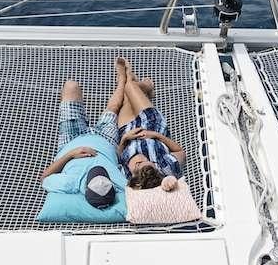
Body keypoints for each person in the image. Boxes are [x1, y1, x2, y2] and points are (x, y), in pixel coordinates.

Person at [39, 66, 130, 207]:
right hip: (106, 141)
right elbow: (120, 160)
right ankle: (122, 80)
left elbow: (45, 177)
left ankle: (65, 102)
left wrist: (71, 154)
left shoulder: (71, 183)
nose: (101, 179)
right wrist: (122, 143)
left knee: (71, 86)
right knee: (114, 107)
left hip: (72, 140)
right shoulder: (121, 183)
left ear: (86, 187)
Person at [115, 57, 186, 191]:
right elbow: (180, 151)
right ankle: (141, 84)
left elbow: (117, 159)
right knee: (129, 87)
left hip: (126, 129)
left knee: (126, 99)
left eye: (137, 165)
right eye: (142, 162)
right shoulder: (166, 167)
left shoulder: (128, 176)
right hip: (151, 123)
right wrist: (156, 135)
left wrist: (124, 139)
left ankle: (136, 87)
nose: (138, 162)